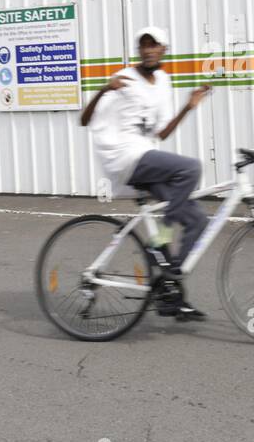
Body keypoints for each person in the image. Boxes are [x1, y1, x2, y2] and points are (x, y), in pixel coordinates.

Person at [81, 26, 212, 320]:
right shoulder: (125, 79)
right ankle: (171, 271)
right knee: (190, 168)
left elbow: (162, 133)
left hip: (145, 155)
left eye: (155, 45)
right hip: (123, 155)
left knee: (198, 221)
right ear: (139, 50)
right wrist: (104, 88)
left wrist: (188, 107)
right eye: (144, 46)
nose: (149, 50)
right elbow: (84, 119)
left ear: (164, 49)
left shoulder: (164, 81)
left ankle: (171, 292)